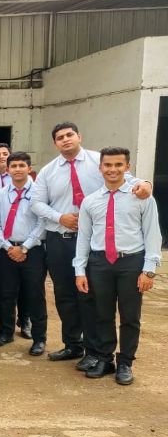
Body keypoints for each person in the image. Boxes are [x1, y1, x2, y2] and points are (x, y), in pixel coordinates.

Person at [30, 122, 152, 367]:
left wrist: (147, 184)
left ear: (79, 136)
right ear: (55, 143)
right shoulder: (48, 171)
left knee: (91, 297)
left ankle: (94, 350)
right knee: (65, 295)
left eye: (70, 135)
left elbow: (131, 181)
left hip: (96, 242)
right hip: (60, 240)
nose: (66, 139)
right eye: (60, 137)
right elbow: (36, 203)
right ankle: (72, 344)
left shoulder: (100, 161)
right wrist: (60, 217)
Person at [74, 147, 161, 385]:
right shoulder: (90, 202)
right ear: (100, 168)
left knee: (130, 316)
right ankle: (105, 358)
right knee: (102, 313)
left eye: (118, 165)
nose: (113, 169)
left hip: (130, 262)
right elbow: (83, 238)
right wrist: (80, 270)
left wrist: (149, 270)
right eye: (108, 165)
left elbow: (152, 234)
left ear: (127, 167)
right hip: (100, 262)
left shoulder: (142, 198)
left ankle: (125, 362)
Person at [0, 152, 47, 355]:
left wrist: (24, 247)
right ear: (8, 170)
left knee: (35, 294)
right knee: (6, 293)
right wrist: (8, 247)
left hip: (33, 251)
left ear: (29, 168)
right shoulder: (1, 195)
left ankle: (39, 338)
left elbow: (43, 223)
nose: (18, 169)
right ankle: (6, 332)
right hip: (7, 251)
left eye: (22, 165)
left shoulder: (39, 193)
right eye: (13, 166)